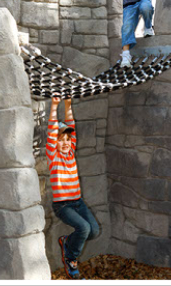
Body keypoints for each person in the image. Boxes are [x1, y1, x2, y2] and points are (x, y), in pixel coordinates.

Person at [48, 97, 100, 280]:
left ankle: (67, 242)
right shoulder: (53, 156)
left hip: (78, 202)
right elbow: (53, 128)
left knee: (94, 231)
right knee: (84, 228)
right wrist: (55, 106)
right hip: (63, 206)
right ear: (54, 142)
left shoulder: (70, 152)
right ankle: (70, 259)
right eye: (60, 139)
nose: (64, 142)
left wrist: (68, 105)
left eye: (67, 139)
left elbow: (71, 124)